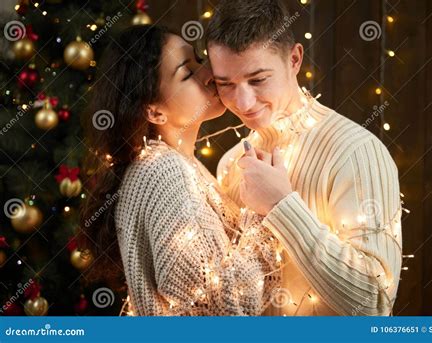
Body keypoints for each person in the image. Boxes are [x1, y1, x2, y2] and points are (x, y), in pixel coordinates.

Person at [207, 0, 403, 316]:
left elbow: (373, 304)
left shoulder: (355, 151)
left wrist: (281, 205)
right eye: (225, 84)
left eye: (257, 79)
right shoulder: (231, 163)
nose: (242, 102)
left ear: (295, 59)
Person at [79, 25, 282, 316]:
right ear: (154, 111)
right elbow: (224, 307)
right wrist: (267, 210)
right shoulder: (163, 173)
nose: (208, 72)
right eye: (187, 73)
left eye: (198, 59)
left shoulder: (182, 165)